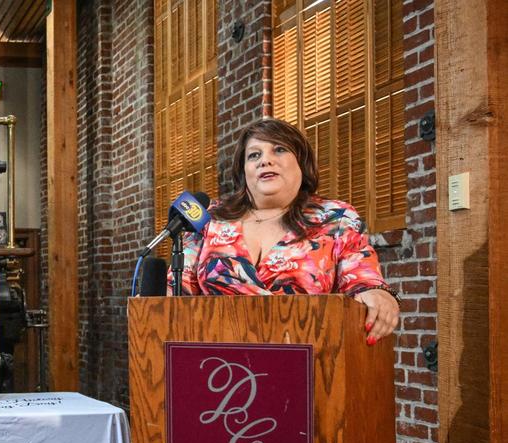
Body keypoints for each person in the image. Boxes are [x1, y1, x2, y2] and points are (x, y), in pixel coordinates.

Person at [169, 118, 400, 344]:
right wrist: (154, 307)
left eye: (279, 149)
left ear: (302, 162)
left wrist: (377, 294)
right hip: (219, 363)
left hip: (308, 358)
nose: (265, 161)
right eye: (254, 155)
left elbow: (363, 279)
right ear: (244, 171)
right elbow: (177, 289)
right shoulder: (210, 217)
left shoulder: (336, 218)